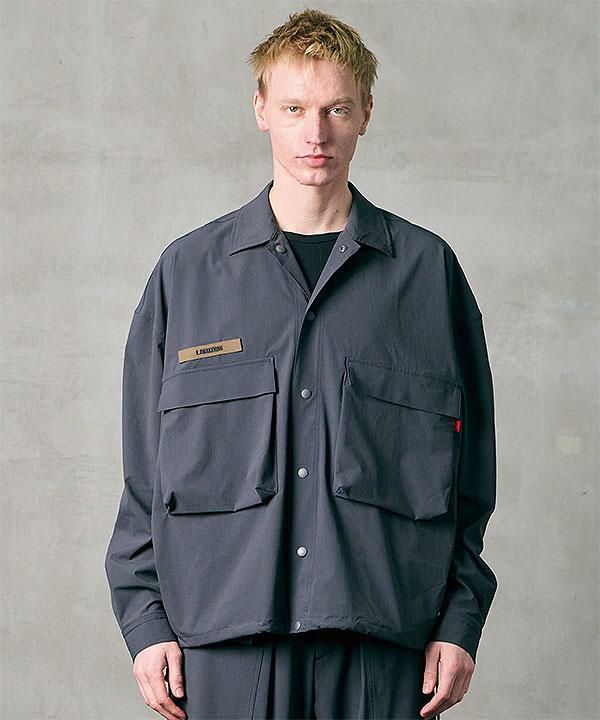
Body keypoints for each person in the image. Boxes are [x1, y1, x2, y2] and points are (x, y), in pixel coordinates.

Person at [104, 8, 498, 720]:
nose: (315, 133)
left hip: (384, 648)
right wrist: (145, 620)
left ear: (366, 113)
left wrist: (460, 619)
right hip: (222, 650)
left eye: (336, 109)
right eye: (294, 108)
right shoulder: (186, 276)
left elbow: (472, 477)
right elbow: (144, 475)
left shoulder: (428, 275)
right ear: (261, 110)